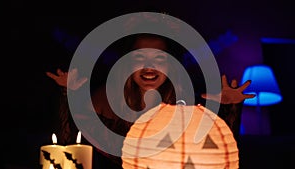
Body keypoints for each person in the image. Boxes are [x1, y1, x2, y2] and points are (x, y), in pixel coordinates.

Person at [46, 13, 255, 169]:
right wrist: (67, 94)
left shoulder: (189, 105)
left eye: (159, 58)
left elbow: (220, 156)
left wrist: (231, 108)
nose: (149, 66)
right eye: (139, 57)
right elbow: (68, 151)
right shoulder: (105, 100)